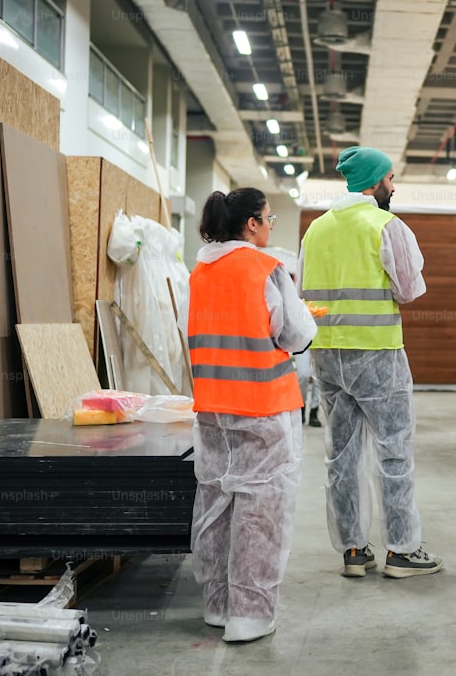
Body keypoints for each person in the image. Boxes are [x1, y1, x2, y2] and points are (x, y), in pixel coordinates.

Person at [297, 146, 443, 579]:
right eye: (391, 179)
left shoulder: (316, 231)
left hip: (327, 355)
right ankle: (401, 550)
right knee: (393, 450)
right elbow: (409, 289)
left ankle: (354, 551)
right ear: (376, 182)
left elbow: (303, 290)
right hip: (377, 352)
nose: (393, 187)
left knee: (340, 454)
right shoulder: (386, 225)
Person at [187, 188, 317, 642]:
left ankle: (218, 606)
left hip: (212, 410)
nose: (269, 226)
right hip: (263, 406)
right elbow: (296, 333)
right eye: (268, 219)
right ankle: (250, 615)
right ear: (252, 225)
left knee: (217, 504)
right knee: (260, 511)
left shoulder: (200, 270)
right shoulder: (266, 269)